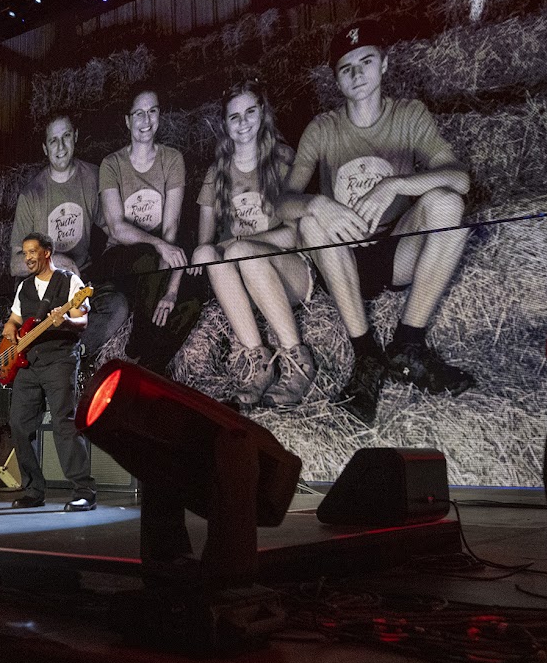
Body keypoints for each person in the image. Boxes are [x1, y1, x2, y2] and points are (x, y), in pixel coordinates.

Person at [278, 21, 474, 424]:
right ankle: (365, 355)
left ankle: (407, 343)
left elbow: (459, 177)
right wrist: (318, 202)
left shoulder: (409, 115)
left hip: (398, 250)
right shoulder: (323, 128)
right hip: (344, 258)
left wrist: (396, 184)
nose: (357, 74)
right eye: (345, 67)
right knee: (310, 222)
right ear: (336, 79)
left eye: (366, 61)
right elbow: (281, 202)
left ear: (384, 65)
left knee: (447, 203)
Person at [190, 83, 317, 409]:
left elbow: (295, 235)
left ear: (263, 113)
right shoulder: (216, 173)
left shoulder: (282, 160)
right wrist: (208, 251)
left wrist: (243, 243)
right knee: (208, 254)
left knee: (238, 251)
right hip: (244, 279)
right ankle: (259, 363)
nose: (243, 122)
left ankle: (297, 360)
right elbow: (206, 244)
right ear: (224, 124)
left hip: (290, 273)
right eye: (234, 116)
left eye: (250, 112)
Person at [93, 88, 202, 372]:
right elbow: (116, 227)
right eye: (138, 113)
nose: (146, 119)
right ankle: (137, 344)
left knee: (189, 305)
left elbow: (171, 227)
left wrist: (172, 290)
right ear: (127, 121)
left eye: (152, 111)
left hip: (157, 261)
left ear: (160, 116)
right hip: (119, 261)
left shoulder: (172, 159)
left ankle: (152, 367)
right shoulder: (112, 164)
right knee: (147, 258)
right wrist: (158, 245)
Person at [9, 113, 128, 366]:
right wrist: (56, 261)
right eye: (53, 141)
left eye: (65, 137)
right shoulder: (32, 194)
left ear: (75, 136)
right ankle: (53, 349)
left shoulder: (93, 176)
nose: (61, 147)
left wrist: (115, 248)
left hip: (82, 281)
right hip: (46, 289)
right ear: (44, 148)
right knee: (40, 325)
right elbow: (15, 263)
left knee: (117, 306)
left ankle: (75, 355)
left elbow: (109, 224)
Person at [2, 232, 96, 511]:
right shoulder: (24, 287)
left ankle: (84, 491)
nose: (28, 257)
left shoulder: (70, 282)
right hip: (28, 363)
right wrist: (9, 331)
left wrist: (65, 320)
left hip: (59, 360)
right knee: (19, 424)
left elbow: (82, 321)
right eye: (25, 253)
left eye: (33, 252)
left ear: (47, 252)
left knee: (63, 422)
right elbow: (14, 320)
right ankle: (33, 489)